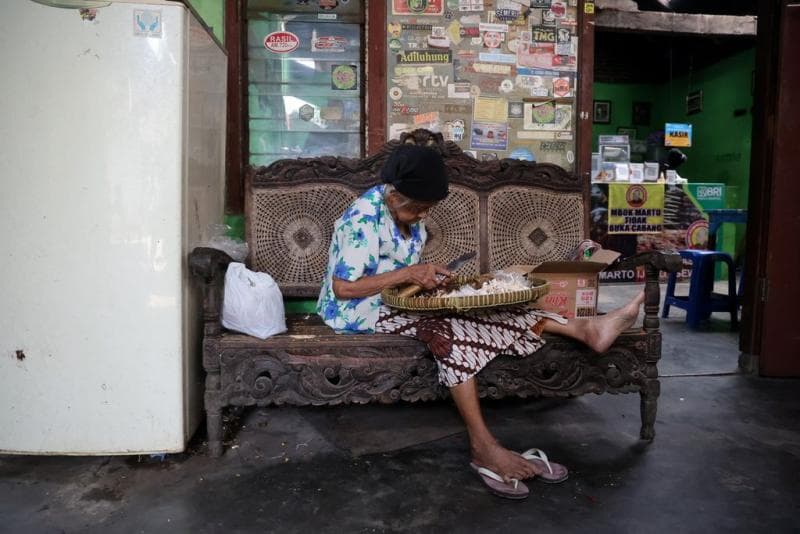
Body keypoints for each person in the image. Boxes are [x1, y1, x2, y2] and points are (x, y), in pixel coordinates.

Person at [316, 144, 644, 500]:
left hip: (395, 300)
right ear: (394, 196)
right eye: (418, 207)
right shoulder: (361, 218)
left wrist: (426, 278)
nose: (424, 214)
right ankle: (483, 446)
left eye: (428, 208)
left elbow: (400, 274)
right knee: (448, 331)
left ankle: (586, 328)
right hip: (356, 309)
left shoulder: (409, 213)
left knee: (483, 308)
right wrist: (410, 273)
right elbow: (345, 288)